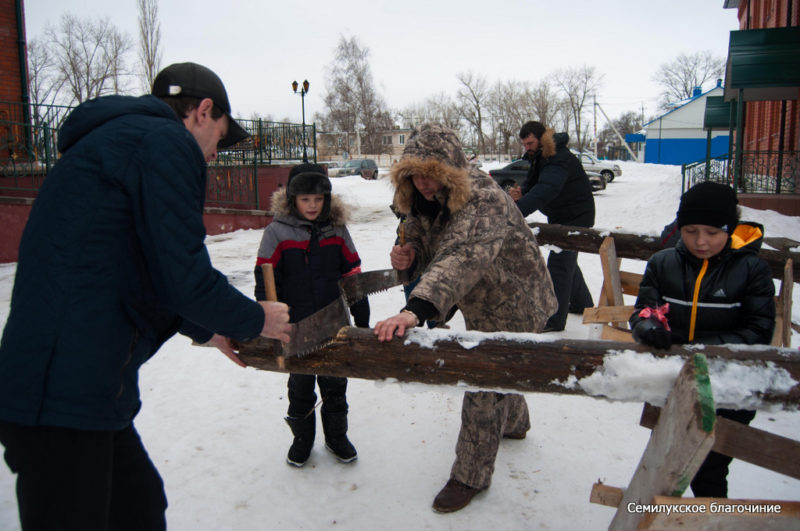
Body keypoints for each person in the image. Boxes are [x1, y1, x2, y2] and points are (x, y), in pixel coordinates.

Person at [0, 62, 292, 531]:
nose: (215, 153)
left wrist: (209, 327)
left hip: (82, 386)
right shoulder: (163, 143)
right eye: (219, 136)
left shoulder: (120, 143)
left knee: (139, 507)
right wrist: (256, 319)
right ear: (202, 111)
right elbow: (183, 274)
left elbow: (146, 268)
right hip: (61, 395)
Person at [373, 123, 557, 513]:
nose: (422, 182)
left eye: (431, 173)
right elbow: (424, 240)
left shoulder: (483, 198)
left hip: (516, 296)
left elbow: (461, 256)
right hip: (480, 296)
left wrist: (414, 309)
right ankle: (516, 423)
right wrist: (408, 257)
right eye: (415, 174)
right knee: (507, 366)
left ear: (450, 169)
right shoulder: (424, 197)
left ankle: (469, 475)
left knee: (484, 378)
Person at [629, 181, 775, 498]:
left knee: (707, 468)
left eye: (712, 232)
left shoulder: (752, 270)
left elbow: (758, 330)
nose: (701, 242)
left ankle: (708, 517)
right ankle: (663, 517)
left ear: (730, 229)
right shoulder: (663, 262)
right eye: (691, 230)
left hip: (729, 387)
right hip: (674, 383)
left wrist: (697, 348)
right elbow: (644, 310)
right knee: (667, 460)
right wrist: (649, 329)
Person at [254, 163, 370, 467]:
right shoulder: (276, 233)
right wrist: (270, 319)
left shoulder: (338, 230)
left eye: (318, 200)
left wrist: (362, 317)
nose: (312, 206)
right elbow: (265, 281)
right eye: (305, 199)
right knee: (301, 388)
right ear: (293, 199)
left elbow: (352, 273)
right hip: (295, 327)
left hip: (334, 325)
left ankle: (336, 437)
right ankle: (302, 440)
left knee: (335, 386)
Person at [508, 121, 595, 331]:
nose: (527, 147)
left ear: (541, 139)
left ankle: (554, 320)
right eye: (524, 144)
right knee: (567, 260)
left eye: (530, 143)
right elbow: (534, 184)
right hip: (563, 215)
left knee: (559, 263)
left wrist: (515, 212)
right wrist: (521, 195)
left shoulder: (558, 159)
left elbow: (546, 190)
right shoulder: (542, 157)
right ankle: (583, 304)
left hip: (575, 218)